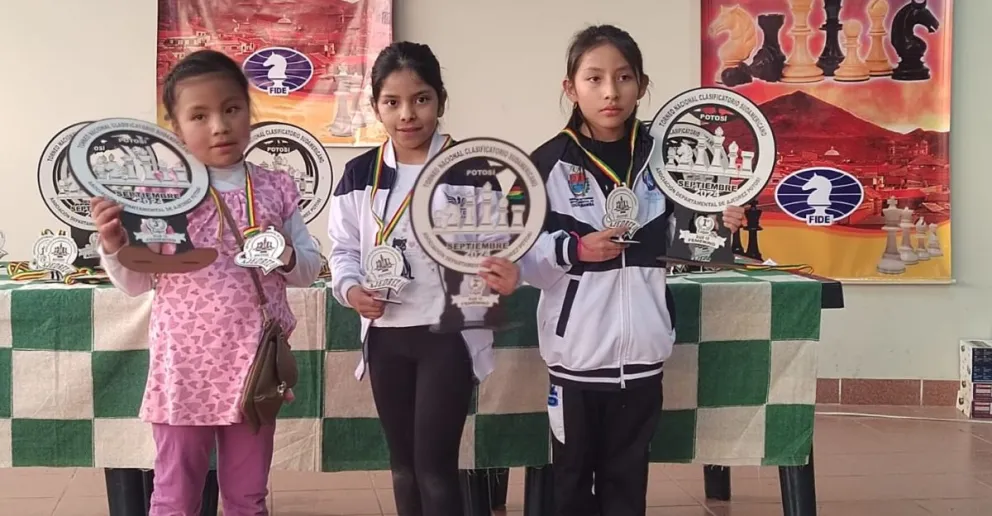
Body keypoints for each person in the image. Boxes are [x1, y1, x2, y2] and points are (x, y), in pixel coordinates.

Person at [518, 25, 746, 516]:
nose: (610, 92)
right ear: (570, 88)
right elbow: (525, 260)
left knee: (627, 484)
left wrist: (719, 224)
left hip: (642, 357)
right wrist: (575, 249)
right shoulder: (546, 164)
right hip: (576, 361)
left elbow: (688, 247)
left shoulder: (667, 160)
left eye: (623, 77)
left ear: (641, 85)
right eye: (594, 78)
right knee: (570, 483)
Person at [90, 49, 322, 516]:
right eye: (199, 115)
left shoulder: (276, 187)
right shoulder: (161, 194)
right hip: (183, 369)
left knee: (247, 498)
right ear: (176, 128)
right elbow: (137, 283)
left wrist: (280, 250)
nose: (219, 126)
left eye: (231, 109)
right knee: (175, 497)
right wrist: (114, 245)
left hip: (254, 368)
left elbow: (309, 269)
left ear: (249, 113)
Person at [327, 41, 520, 516]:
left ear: (441, 100)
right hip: (386, 335)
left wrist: (494, 268)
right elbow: (344, 250)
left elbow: (498, 244)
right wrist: (351, 290)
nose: (407, 114)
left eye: (421, 99)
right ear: (375, 106)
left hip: (446, 335)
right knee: (403, 467)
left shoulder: (471, 171)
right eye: (392, 102)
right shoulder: (359, 174)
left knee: (435, 466)